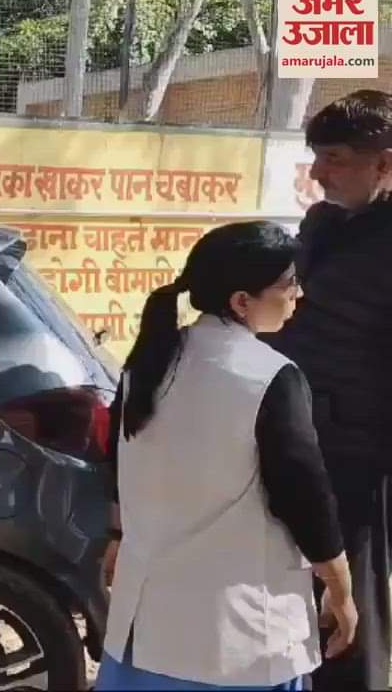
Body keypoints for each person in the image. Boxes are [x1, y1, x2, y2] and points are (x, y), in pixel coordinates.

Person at [97, 221, 357, 691]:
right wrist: (340, 586)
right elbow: (304, 495)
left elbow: (117, 460)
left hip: (143, 635)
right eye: (289, 283)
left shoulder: (148, 363)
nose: (298, 294)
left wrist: (117, 533)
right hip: (236, 645)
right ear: (241, 301)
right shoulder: (268, 376)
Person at [262, 89, 392, 691]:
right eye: (316, 157)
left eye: (335, 158)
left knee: (350, 602)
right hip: (306, 435)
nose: (317, 173)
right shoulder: (321, 224)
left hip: (366, 454)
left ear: (385, 163)